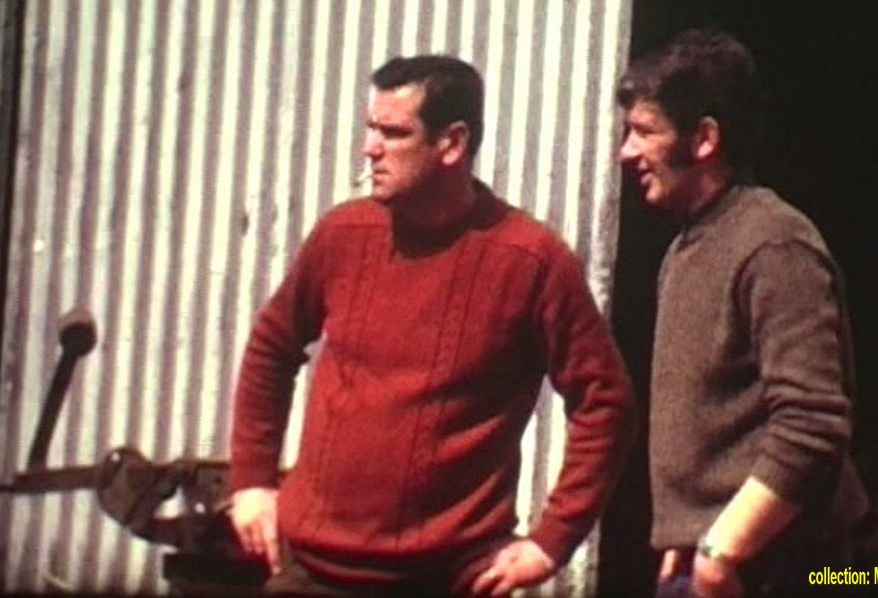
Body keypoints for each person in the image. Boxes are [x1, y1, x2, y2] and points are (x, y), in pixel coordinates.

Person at [228, 54, 637, 596]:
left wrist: (550, 542)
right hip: (308, 572)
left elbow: (606, 403)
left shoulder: (529, 260)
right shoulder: (342, 234)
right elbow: (271, 348)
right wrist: (252, 482)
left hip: (444, 579)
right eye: (371, 128)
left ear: (452, 144)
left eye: (393, 133)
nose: (370, 148)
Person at [617, 29, 868, 596]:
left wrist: (720, 550)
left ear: (705, 138)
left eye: (644, 131)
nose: (626, 152)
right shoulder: (687, 247)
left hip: (776, 569)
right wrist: (683, 536)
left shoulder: (774, 244)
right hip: (708, 560)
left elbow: (812, 426)